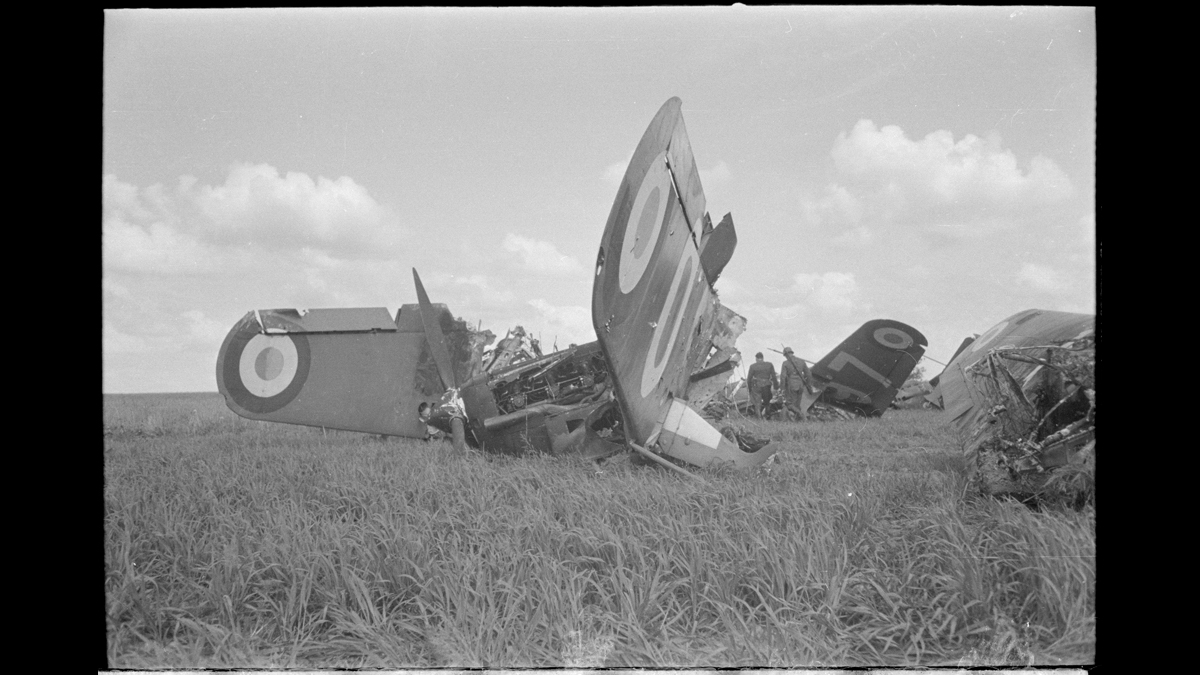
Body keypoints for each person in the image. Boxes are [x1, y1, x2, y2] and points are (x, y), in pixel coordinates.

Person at [779, 347, 816, 421]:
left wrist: (782, 389)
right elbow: (808, 374)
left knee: (789, 405)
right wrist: (808, 385)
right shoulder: (801, 361)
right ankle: (798, 421)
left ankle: (802, 416)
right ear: (792, 353)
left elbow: (783, 377)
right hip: (800, 386)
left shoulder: (785, 363)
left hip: (791, 385)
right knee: (797, 405)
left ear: (786, 354)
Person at [745, 352, 778, 418]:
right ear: (762, 358)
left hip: (757, 386)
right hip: (766, 385)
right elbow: (774, 376)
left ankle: (759, 418)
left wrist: (749, 389)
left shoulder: (753, 366)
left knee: (757, 403)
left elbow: (749, 379)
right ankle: (768, 416)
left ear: (756, 358)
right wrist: (776, 386)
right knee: (767, 402)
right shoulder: (769, 364)